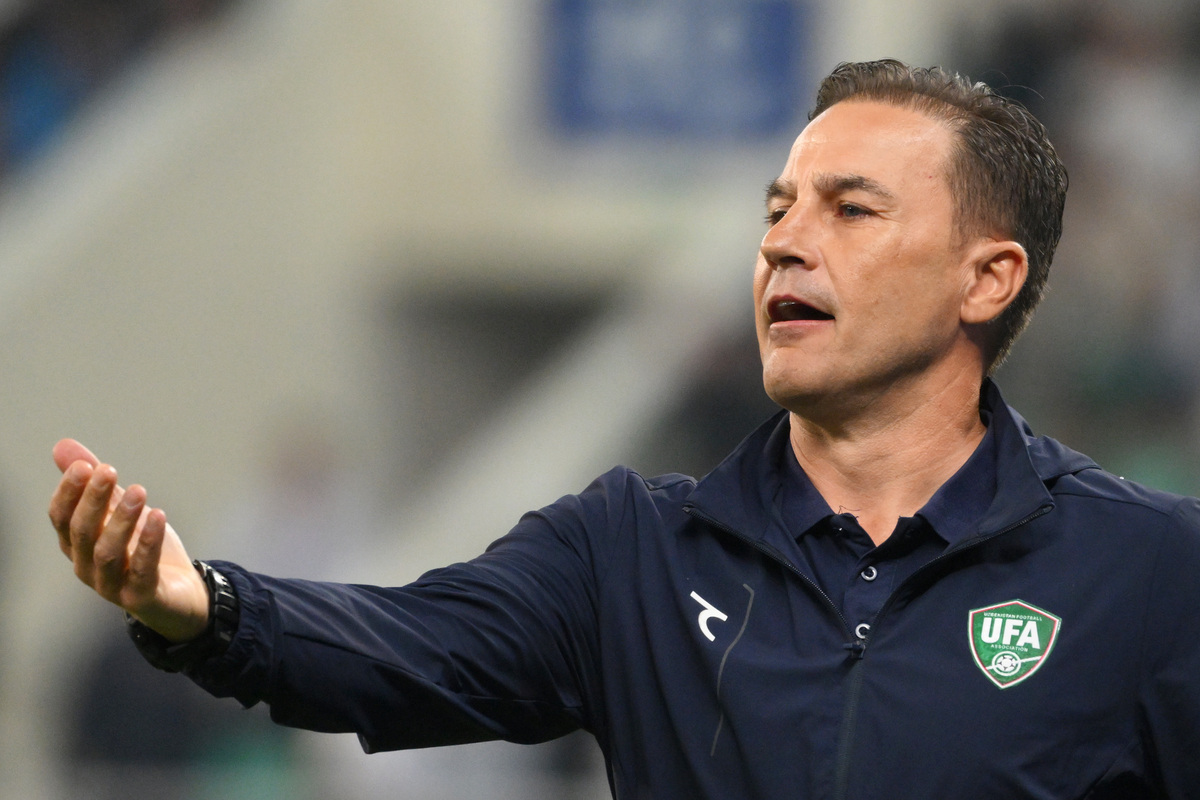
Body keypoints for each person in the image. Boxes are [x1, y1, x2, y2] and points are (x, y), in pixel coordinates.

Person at [48, 60, 1200, 799]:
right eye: (778, 210)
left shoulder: (1150, 571)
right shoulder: (631, 551)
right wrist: (205, 606)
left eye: (851, 209)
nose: (787, 242)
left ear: (985, 278)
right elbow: (400, 647)